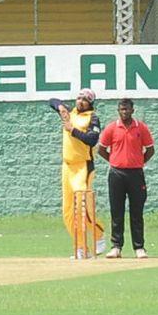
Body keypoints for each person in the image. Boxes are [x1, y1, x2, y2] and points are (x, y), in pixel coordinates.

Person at [97, 98, 155, 260]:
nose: (124, 112)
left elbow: (150, 150)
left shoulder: (141, 128)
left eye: (127, 109)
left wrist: (138, 162)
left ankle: (139, 247)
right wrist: (115, 160)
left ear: (132, 110)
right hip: (116, 174)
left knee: (137, 211)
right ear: (118, 111)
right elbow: (101, 149)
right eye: (122, 109)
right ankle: (116, 247)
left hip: (136, 174)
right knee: (117, 211)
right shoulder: (111, 128)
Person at [49, 90, 104, 258]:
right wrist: (60, 107)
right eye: (79, 98)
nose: (81, 102)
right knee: (68, 212)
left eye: (85, 100)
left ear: (90, 103)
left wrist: (72, 130)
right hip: (67, 167)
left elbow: (92, 139)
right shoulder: (70, 113)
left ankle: (99, 236)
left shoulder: (92, 118)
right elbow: (52, 99)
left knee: (82, 206)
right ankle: (81, 248)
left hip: (83, 167)